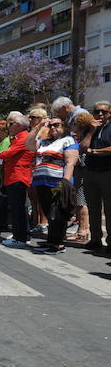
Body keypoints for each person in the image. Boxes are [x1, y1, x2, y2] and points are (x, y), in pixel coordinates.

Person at [26, 116, 78, 254]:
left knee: (57, 213)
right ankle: (51, 241)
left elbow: (70, 163)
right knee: (49, 212)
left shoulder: (68, 140)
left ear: (64, 127)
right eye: (51, 125)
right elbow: (29, 143)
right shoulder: (44, 142)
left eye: (57, 125)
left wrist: (64, 183)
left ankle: (58, 244)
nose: (53, 127)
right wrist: (38, 126)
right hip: (41, 182)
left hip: (57, 183)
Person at [0, 112, 35, 248]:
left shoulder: (23, 138)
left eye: (11, 124)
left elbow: (6, 154)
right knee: (18, 208)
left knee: (18, 209)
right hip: (14, 176)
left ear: (19, 125)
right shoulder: (18, 137)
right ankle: (22, 235)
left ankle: (20, 237)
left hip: (18, 176)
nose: (8, 127)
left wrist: (1, 156)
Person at [82, 101, 111, 252]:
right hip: (90, 173)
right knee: (93, 208)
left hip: (107, 173)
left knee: (109, 209)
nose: (100, 114)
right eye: (96, 111)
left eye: (104, 112)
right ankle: (95, 239)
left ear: (109, 113)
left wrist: (93, 152)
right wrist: (91, 132)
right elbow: (82, 147)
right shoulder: (89, 128)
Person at [68, 112, 94, 244]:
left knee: (81, 202)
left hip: (82, 173)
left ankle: (83, 231)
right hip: (79, 173)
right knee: (79, 202)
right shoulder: (80, 136)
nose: (72, 125)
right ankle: (81, 230)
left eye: (74, 123)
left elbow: (83, 156)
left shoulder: (85, 137)